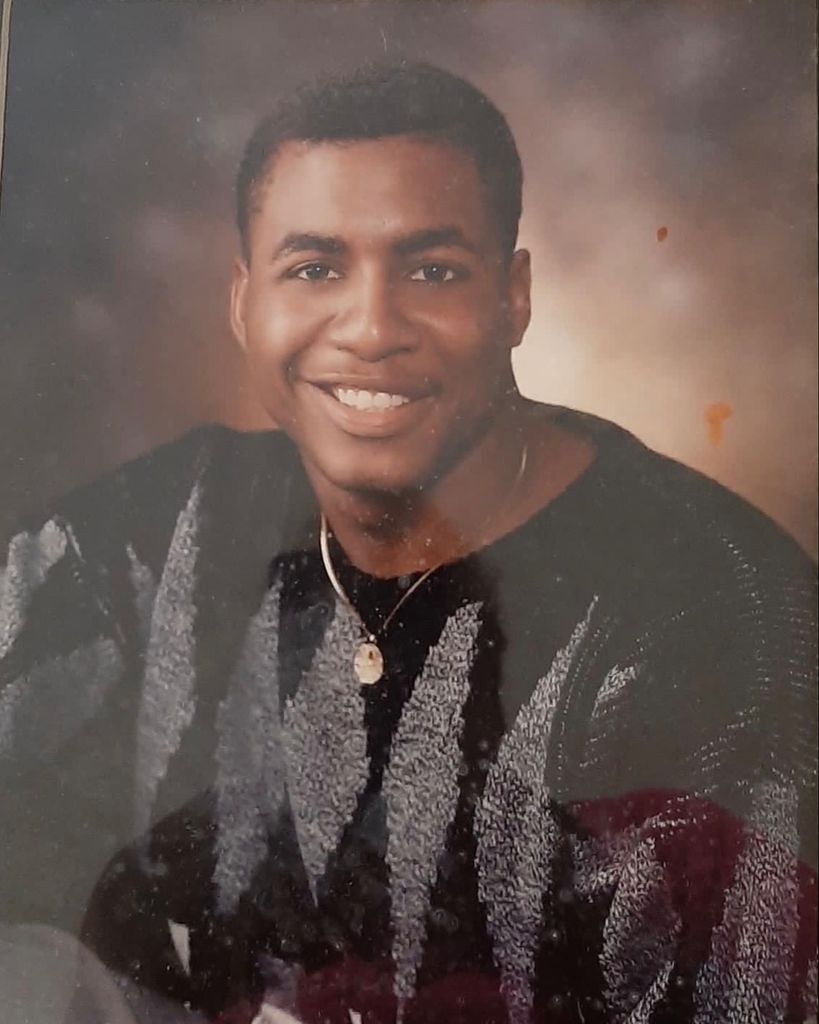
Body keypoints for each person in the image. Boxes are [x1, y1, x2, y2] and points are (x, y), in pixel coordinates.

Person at [0, 61, 816, 1024]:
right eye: (315, 269)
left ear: (513, 297)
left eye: (432, 271)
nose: (371, 328)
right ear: (243, 302)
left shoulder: (719, 625)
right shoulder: (156, 538)